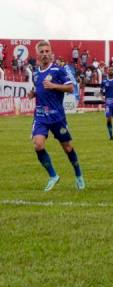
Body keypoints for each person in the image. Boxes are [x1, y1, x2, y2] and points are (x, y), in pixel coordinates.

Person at [28, 40, 85, 191]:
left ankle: (78, 175)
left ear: (51, 53)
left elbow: (71, 87)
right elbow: (39, 88)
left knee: (67, 148)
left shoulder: (58, 70)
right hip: (40, 116)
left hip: (57, 117)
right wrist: (33, 93)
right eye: (42, 52)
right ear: (38, 55)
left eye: (47, 51)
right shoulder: (35, 73)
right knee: (38, 145)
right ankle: (53, 176)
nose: (45, 54)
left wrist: (54, 86)